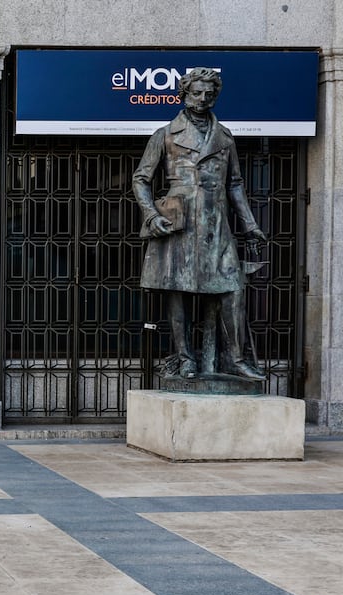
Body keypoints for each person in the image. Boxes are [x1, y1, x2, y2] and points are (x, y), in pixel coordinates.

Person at [131, 67, 267, 381]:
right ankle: (185, 358)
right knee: (177, 292)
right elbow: (140, 180)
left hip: (216, 225)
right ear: (184, 93)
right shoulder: (165, 134)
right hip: (179, 222)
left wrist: (249, 225)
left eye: (209, 93)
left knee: (233, 288)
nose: (203, 99)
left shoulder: (225, 137)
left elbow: (234, 184)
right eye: (197, 93)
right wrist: (152, 216)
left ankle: (235, 358)